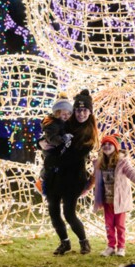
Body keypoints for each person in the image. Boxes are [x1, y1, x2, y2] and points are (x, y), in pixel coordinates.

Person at [43, 89, 99, 256]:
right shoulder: (66, 123)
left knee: (69, 212)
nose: (81, 113)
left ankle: (84, 241)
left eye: (84, 110)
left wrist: (52, 158)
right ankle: (64, 243)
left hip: (73, 177)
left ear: (90, 112)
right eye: (78, 110)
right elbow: (51, 132)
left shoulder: (88, 134)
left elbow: (73, 157)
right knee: (53, 210)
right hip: (55, 176)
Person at [93, 133, 135, 257]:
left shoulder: (122, 162)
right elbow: (93, 179)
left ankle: (121, 247)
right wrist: (84, 190)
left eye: (109, 144)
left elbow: (132, 174)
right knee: (108, 225)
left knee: (120, 226)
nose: (106, 146)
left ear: (115, 147)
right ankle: (111, 246)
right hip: (107, 201)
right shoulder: (99, 163)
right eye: (104, 144)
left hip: (119, 200)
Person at [38, 93, 74, 196]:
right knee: (50, 164)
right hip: (51, 148)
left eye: (68, 114)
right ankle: (43, 181)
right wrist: (63, 139)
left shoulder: (62, 122)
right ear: (57, 113)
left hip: (58, 148)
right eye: (64, 114)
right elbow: (51, 138)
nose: (66, 116)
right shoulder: (51, 124)